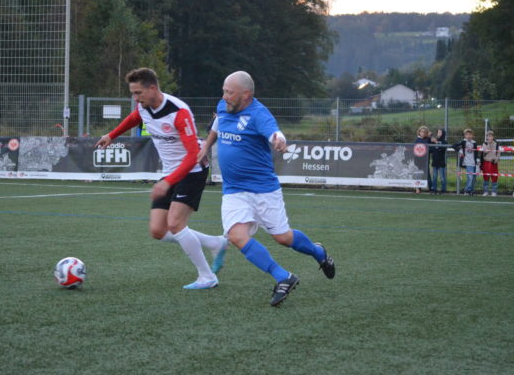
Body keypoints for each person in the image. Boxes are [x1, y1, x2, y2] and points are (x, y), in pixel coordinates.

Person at [197, 71, 335, 307]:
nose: (224, 96)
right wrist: (205, 148)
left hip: (263, 190)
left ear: (246, 94)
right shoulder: (224, 105)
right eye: (224, 91)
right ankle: (283, 277)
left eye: (229, 92)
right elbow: (217, 125)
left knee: (283, 238)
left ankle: (318, 252)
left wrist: (279, 140)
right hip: (234, 190)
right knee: (236, 235)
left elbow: (274, 132)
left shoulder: (259, 114)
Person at [96, 68, 227, 290]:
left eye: (138, 93)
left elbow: (192, 156)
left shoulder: (179, 112)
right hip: (171, 173)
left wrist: (167, 182)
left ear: (153, 88)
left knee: (175, 224)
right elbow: (134, 118)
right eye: (133, 93)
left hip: (193, 170)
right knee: (158, 231)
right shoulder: (143, 106)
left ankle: (207, 277)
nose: (135, 98)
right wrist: (111, 135)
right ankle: (216, 243)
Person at [455, 128, 480, 196]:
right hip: (467, 162)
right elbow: (454, 145)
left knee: (474, 177)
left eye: (470, 134)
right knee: (470, 177)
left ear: (472, 135)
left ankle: (471, 190)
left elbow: (476, 152)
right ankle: (467, 190)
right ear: (465, 135)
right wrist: (460, 151)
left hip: (474, 162)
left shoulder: (474, 142)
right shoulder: (463, 141)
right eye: (467, 134)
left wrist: (477, 160)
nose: (469, 136)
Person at [481, 130, 500, 196]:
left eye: (490, 136)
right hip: (486, 162)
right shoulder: (485, 144)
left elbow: (498, 153)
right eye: (487, 136)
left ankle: (494, 191)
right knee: (486, 177)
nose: (489, 137)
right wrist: (488, 144)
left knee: (494, 177)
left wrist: (496, 160)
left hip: (493, 163)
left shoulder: (496, 144)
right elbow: (485, 151)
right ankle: (485, 191)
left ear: (493, 137)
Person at [429, 128, 448, 194]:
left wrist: (436, 142)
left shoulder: (444, 142)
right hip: (435, 162)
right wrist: (429, 137)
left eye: (440, 132)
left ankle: (443, 190)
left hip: (441, 163)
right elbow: (431, 149)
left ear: (443, 134)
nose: (438, 133)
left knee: (442, 177)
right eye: (438, 132)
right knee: (434, 177)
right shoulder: (433, 140)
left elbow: (443, 149)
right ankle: (434, 189)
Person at [414, 126, 432, 193]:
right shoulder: (417, 140)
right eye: (421, 132)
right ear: (419, 132)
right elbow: (414, 149)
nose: (422, 133)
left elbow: (431, 148)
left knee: (427, 174)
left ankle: (431, 188)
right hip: (417, 160)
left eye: (424, 132)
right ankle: (418, 188)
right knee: (418, 174)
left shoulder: (428, 139)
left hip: (425, 160)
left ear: (426, 133)